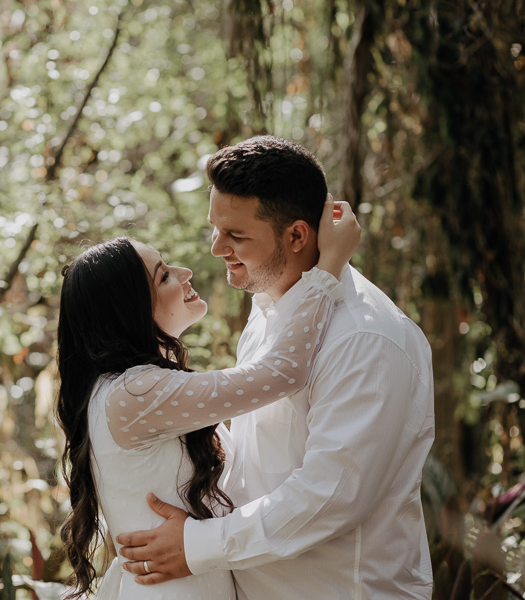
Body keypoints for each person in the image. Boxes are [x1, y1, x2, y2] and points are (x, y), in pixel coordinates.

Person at [116, 135, 435, 599]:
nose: (215, 248)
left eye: (236, 236)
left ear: (298, 235)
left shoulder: (366, 340)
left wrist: (196, 544)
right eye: (215, 227)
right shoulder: (270, 305)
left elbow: (329, 495)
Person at [55, 197, 360, 599]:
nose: (185, 273)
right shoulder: (134, 393)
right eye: (164, 276)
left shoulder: (128, 391)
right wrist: (327, 270)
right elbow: (283, 373)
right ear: (131, 313)